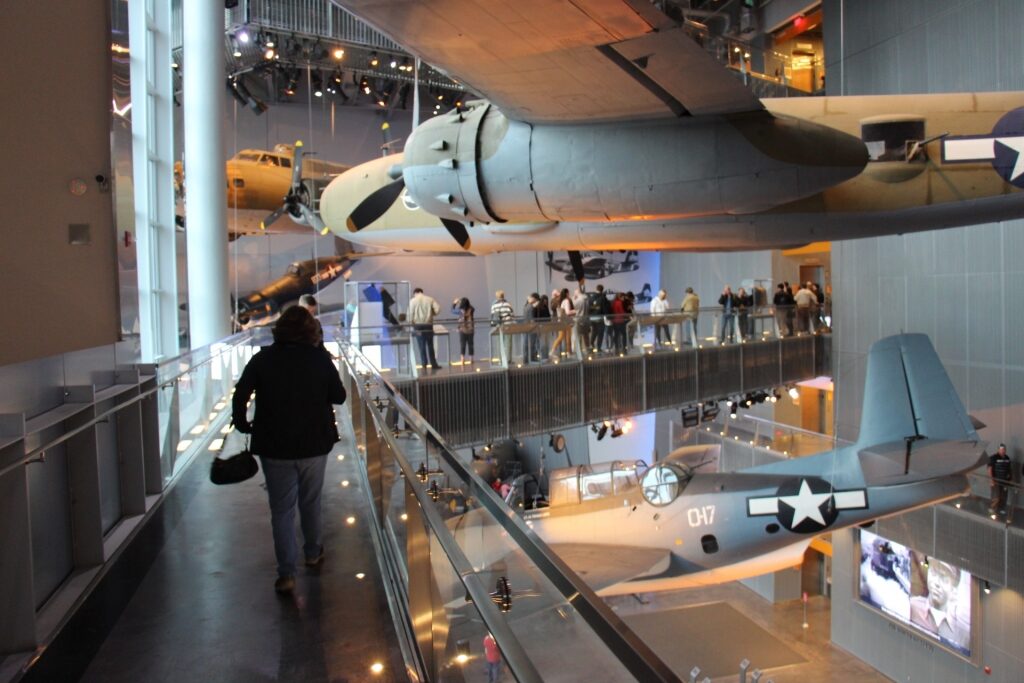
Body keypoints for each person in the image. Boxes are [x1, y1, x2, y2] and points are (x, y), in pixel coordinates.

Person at [231, 306, 347, 594]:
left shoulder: (263, 359)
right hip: (313, 444)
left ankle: (286, 573)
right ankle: (312, 552)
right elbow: (340, 396)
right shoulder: (319, 359)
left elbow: (240, 393)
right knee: (311, 502)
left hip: (274, 445)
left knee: (281, 510)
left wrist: (243, 423)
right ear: (311, 331)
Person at [909, 559, 971, 652]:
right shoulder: (912, 606)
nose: (936, 583)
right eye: (933, 573)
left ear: (954, 587)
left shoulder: (963, 632)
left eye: (944, 578)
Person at [409, 287, 441, 369]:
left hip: (418, 326)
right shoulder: (430, 299)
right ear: (422, 292)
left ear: (415, 293)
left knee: (421, 345)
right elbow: (438, 309)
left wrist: (412, 323)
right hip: (428, 324)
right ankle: (434, 364)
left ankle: (424, 364)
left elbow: (409, 315)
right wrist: (431, 314)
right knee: (430, 345)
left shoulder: (412, 301)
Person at [490, 290, 515, 363]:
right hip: (508, 325)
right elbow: (512, 315)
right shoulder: (508, 304)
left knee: (499, 343)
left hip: (499, 326)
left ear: (497, 296)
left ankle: (501, 360)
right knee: (508, 343)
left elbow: (492, 315)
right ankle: (508, 360)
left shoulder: (494, 305)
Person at [989, 443, 1013, 515]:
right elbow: (989, 469)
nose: (1003, 451)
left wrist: (1011, 478)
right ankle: (993, 508)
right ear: (998, 450)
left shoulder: (1007, 458)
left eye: (1004, 449)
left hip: (1005, 481)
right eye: (1001, 449)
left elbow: (1009, 469)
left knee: (1004, 495)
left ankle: (1002, 508)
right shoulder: (994, 457)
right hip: (996, 480)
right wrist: (991, 479)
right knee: (996, 495)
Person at [453, 297, 475, 365]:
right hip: (471, 329)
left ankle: (462, 359)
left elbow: (452, 310)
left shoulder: (460, 310)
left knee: (463, 344)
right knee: (470, 344)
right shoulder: (471, 309)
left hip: (462, 330)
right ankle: (471, 359)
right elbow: (472, 307)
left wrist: (455, 303)